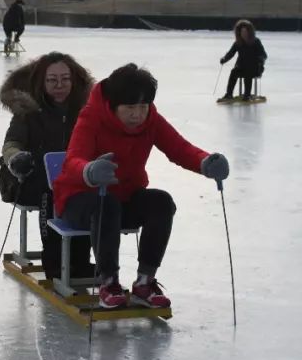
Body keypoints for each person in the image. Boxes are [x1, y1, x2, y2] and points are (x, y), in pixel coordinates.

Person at [51, 64, 230, 309]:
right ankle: (108, 281)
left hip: (124, 197)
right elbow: (73, 160)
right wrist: (90, 170)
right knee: (107, 205)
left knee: (161, 202)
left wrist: (205, 162)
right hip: (79, 199)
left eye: (143, 107)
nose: (138, 114)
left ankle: (145, 281)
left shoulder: (151, 121)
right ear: (113, 106)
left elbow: (179, 148)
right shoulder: (91, 117)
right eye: (130, 108)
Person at [0, 52, 94, 279]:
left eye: (65, 79)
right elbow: (11, 143)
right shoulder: (29, 110)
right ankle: (53, 259)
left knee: (86, 191)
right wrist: (16, 158)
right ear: (42, 81)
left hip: (71, 180)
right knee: (49, 190)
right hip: (28, 180)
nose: (59, 85)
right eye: (52, 80)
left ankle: (80, 259)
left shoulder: (85, 110)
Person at [218, 19, 267, 102]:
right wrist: (224, 59)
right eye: (242, 32)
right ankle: (229, 94)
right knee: (234, 72)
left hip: (255, 68)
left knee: (248, 72)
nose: (243, 34)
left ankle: (247, 95)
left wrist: (260, 60)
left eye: (245, 32)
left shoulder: (256, 42)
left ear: (249, 32)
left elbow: (264, 55)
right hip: (242, 67)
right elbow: (231, 53)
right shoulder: (238, 43)